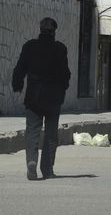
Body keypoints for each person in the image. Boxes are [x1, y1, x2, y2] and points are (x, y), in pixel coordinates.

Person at [12, 17, 71, 180]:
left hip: (34, 96)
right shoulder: (60, 49)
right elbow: (65, 73)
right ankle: (47, 169)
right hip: (53, 97)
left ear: (40, 30)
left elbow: (20, 68)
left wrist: (17, 84)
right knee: (51, 133)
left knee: (32, 130)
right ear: (54, 32)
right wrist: (63, 88)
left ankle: (32, 161)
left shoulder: (29, 46)